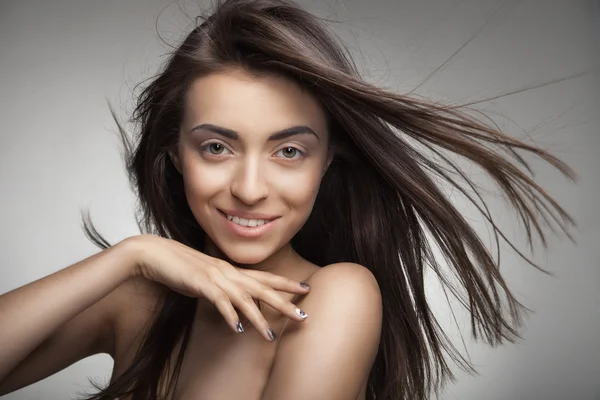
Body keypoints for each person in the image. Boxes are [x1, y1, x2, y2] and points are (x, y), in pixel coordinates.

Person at [0, 0, 576, 399]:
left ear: (328, 160)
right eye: (218, 147)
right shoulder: (138, 299)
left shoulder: (334, 298)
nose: (250, 189)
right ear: (175, 153)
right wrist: (128, 256)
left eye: (289, 152)